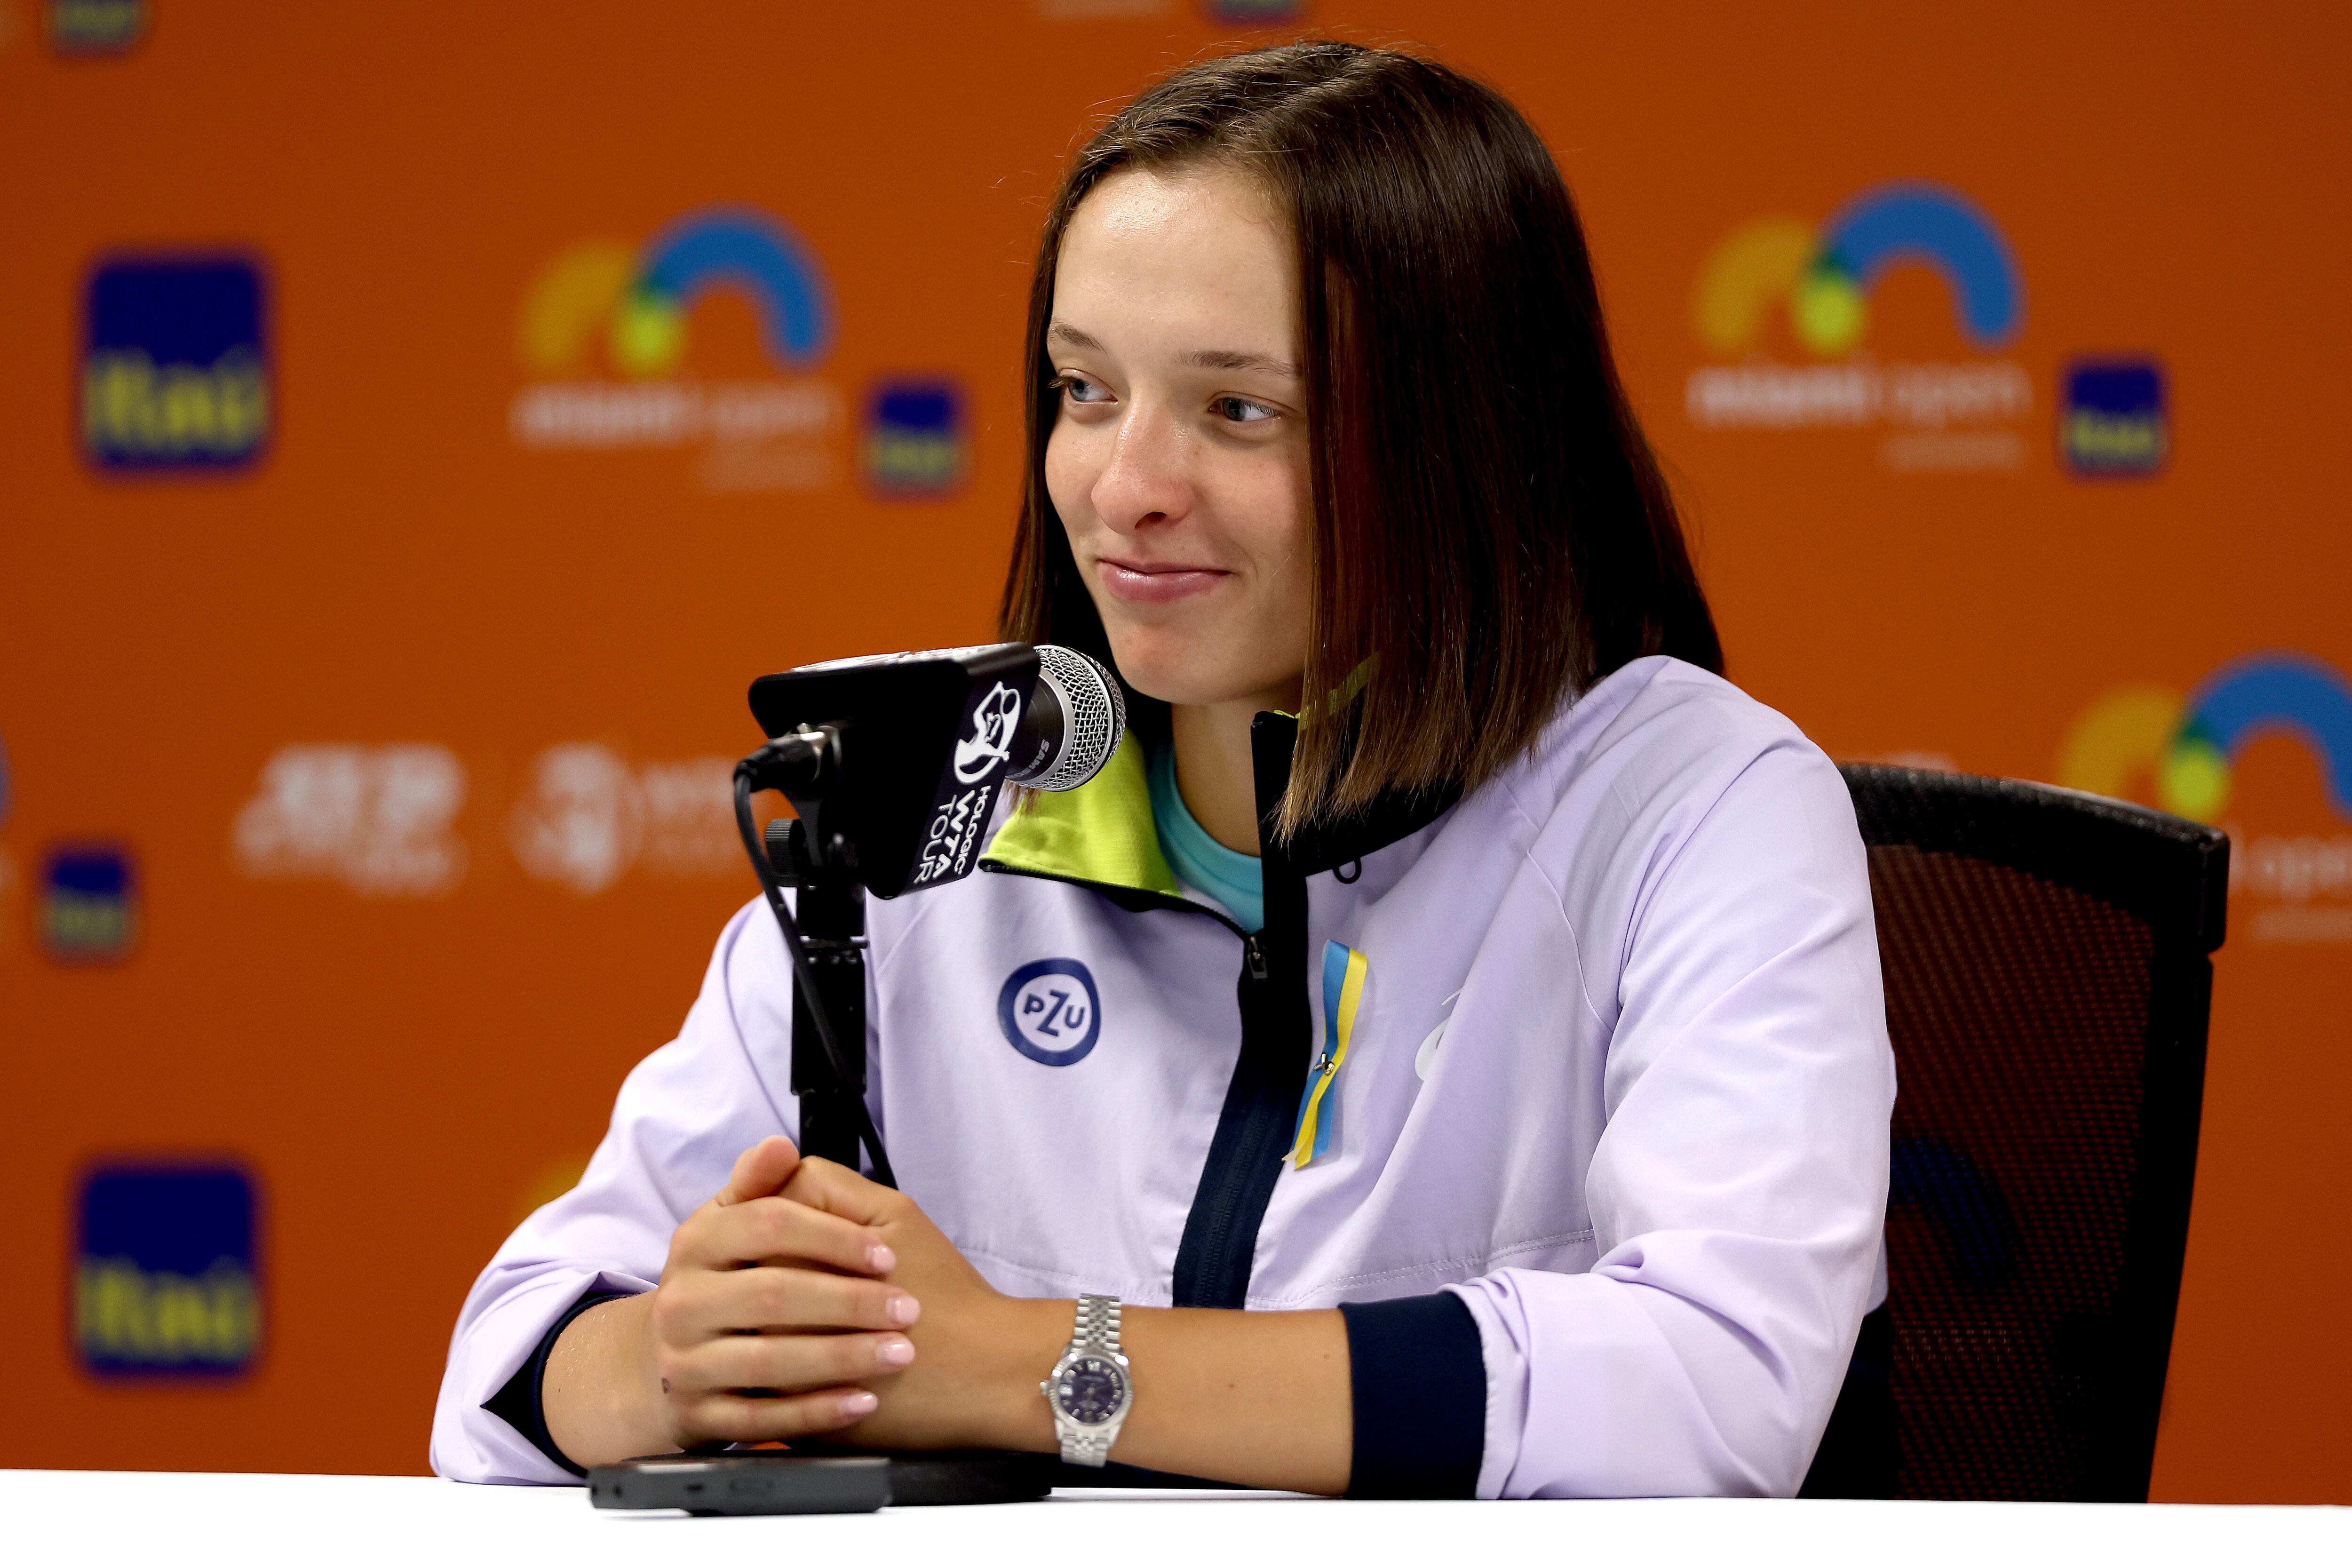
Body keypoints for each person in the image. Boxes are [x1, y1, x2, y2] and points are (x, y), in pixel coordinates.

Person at [432, 40, 1894, 1499]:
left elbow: (1716, 1386)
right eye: (1084, 390)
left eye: (1238, 410)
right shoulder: (951, 807)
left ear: (1462, 440)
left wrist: (1026, 1363)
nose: (1125, 489)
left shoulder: (1693, 804)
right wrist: (677, 1363)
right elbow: (508, 1367)